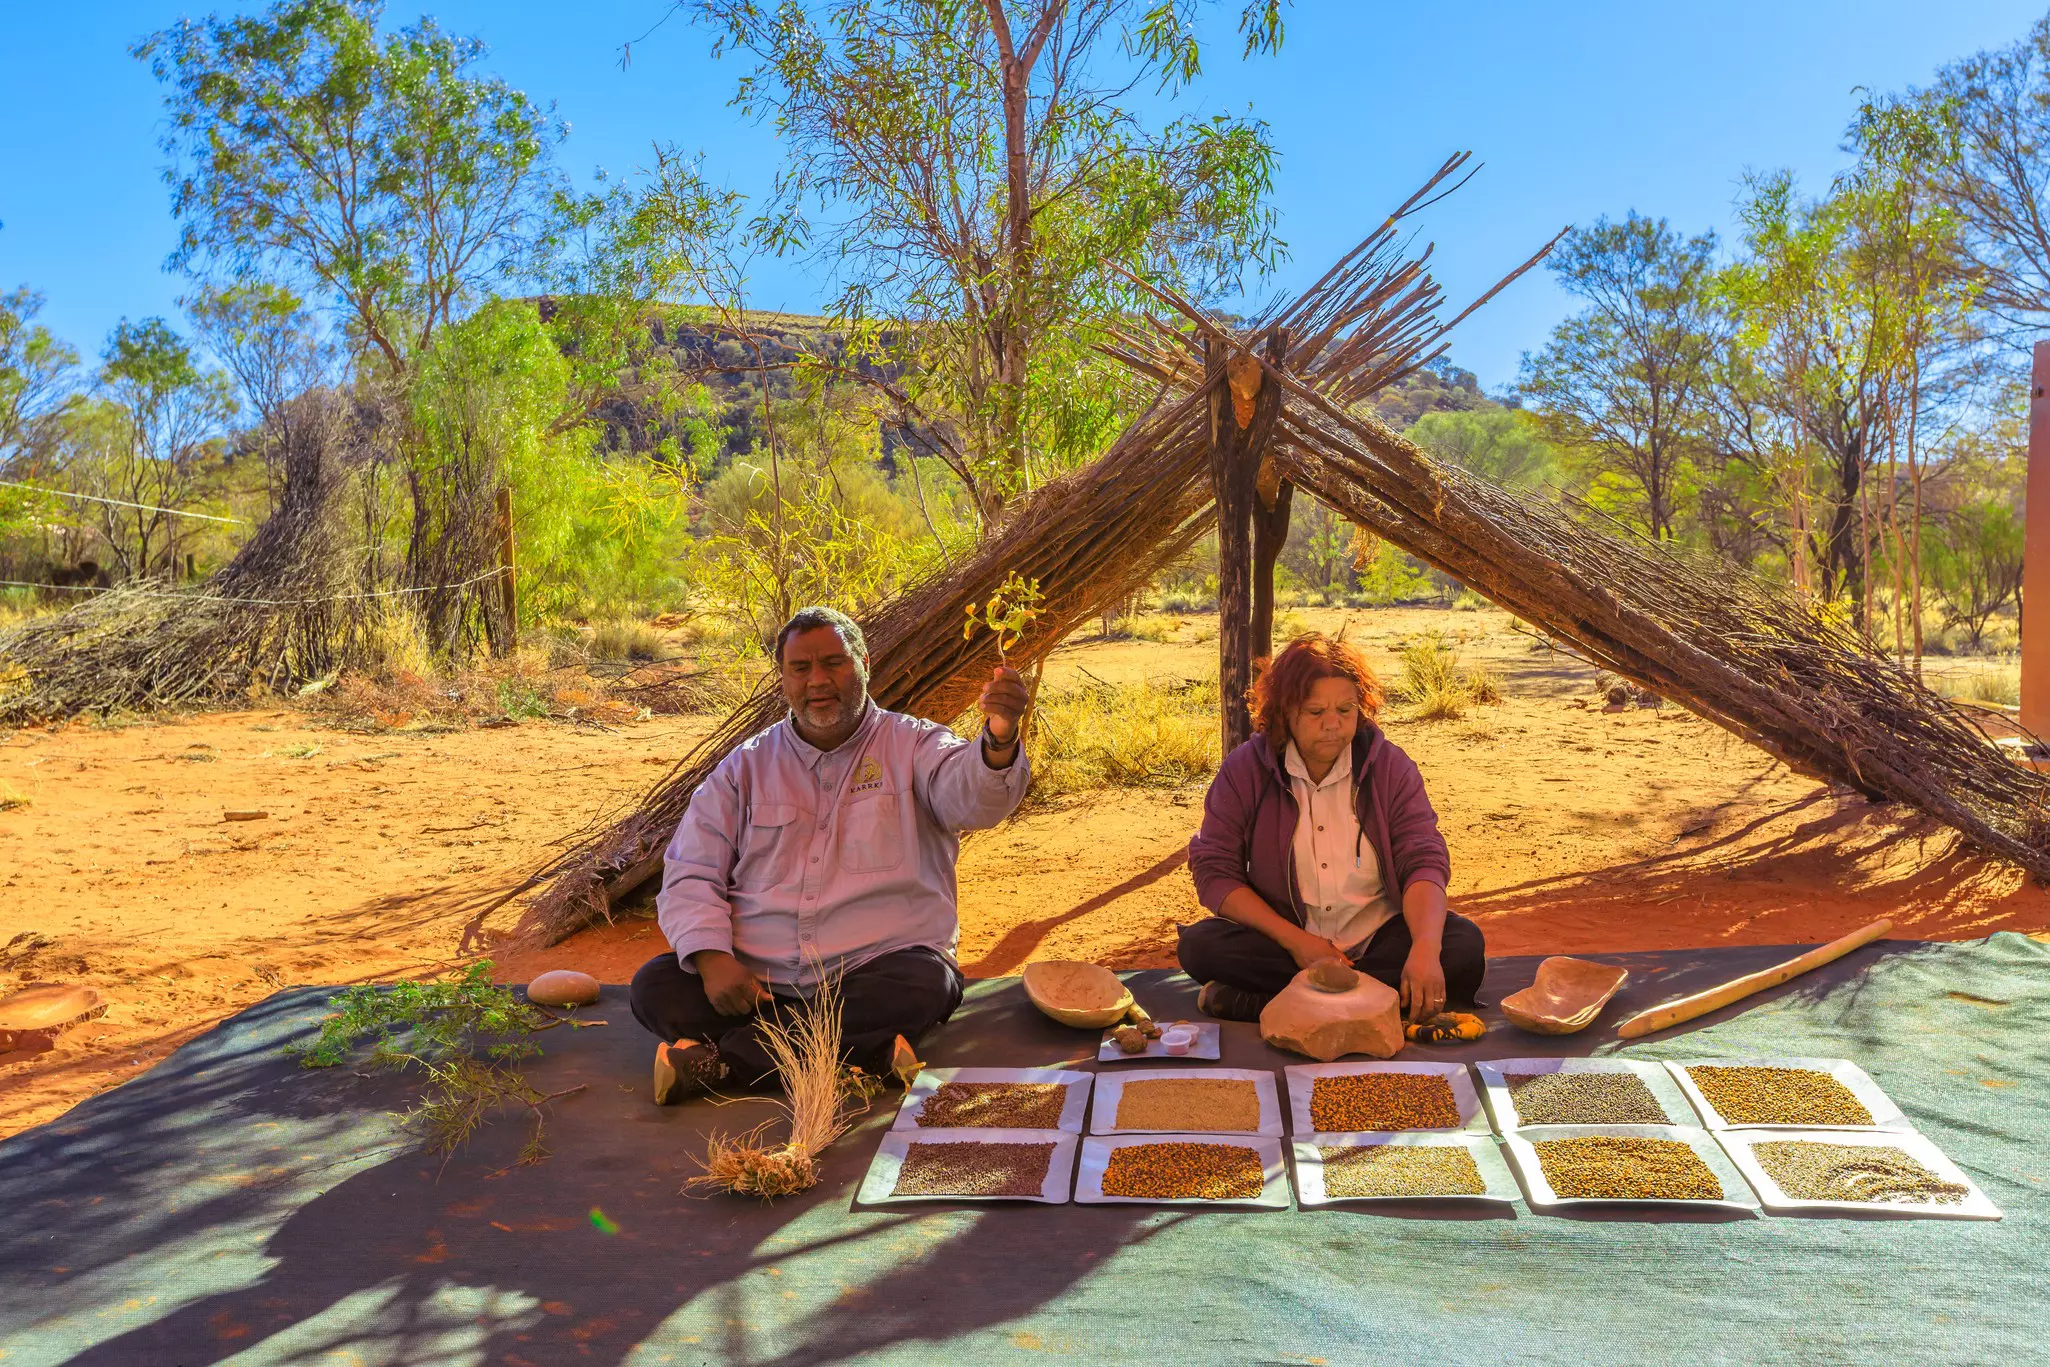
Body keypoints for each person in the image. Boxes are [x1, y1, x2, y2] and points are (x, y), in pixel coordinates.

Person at [631, 605, 1032, 1102]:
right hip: (760, 983)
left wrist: (997, 740)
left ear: (863, 661)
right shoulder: (745, 767)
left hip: (872, 972)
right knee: (655, 985)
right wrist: (714, 960)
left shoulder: (913, 745)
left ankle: (722, 1063)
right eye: (801, 668)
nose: (817, 681)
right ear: (783, 678)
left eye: (834, 663)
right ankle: (863, 1054)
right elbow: (691, 871)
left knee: (926, 983)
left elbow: (972, 796)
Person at [1180, 632, 1484, 1023]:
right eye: (1314, 711)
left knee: (1461, 944)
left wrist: (1424, 948)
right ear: (1284, 712)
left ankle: (1273, 1005)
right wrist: (1300, 943)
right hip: (1289, 945)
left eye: (1345, 710)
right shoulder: (1246, 770)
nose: (1332, 725)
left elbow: (1422, 859)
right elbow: (1215, 871)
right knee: (1202, 947)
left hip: (1379, 938)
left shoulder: (1389, 767)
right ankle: (1376, 1002)